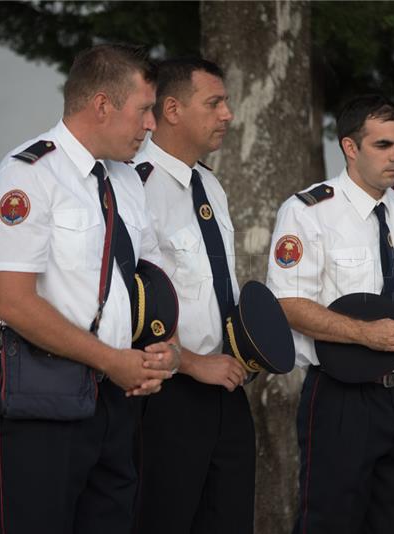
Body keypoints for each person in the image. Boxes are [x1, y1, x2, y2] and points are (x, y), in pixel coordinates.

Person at [0, 43, 180, 534]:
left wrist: (163, 351)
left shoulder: (126, 180)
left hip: (112, 394)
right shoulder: (28, 175)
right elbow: (14, 303)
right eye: (144, 110)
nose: (152, 124)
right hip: (38, 387)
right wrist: (112, 360)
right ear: (102, 105)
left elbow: (147, 283)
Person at [266, 94, 394, 533]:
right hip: (343, 397)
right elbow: (288, 303)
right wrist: (368, 335)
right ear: (350, 147)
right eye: (383, 145)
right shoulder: (309, 212)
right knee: (330, 522)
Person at [132, 57, 252, 534]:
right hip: (168, 393)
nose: (228, 114)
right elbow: (140, 295)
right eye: (215, 103)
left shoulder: (210, 184)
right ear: (173, 109)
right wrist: (190, 363)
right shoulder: (134, 184)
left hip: (225, 388)